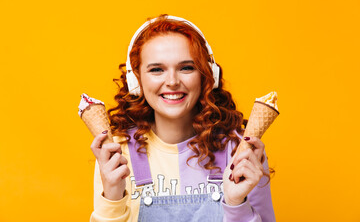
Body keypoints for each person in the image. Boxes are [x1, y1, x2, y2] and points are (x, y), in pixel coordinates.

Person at [89, 14, 275, 222]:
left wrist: (236, 205)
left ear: (207, 76)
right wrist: (113, 199)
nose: (172, 81)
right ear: (136, 80)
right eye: (156, 69)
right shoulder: (117, 152)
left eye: (186, 67)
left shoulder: (239, 149)